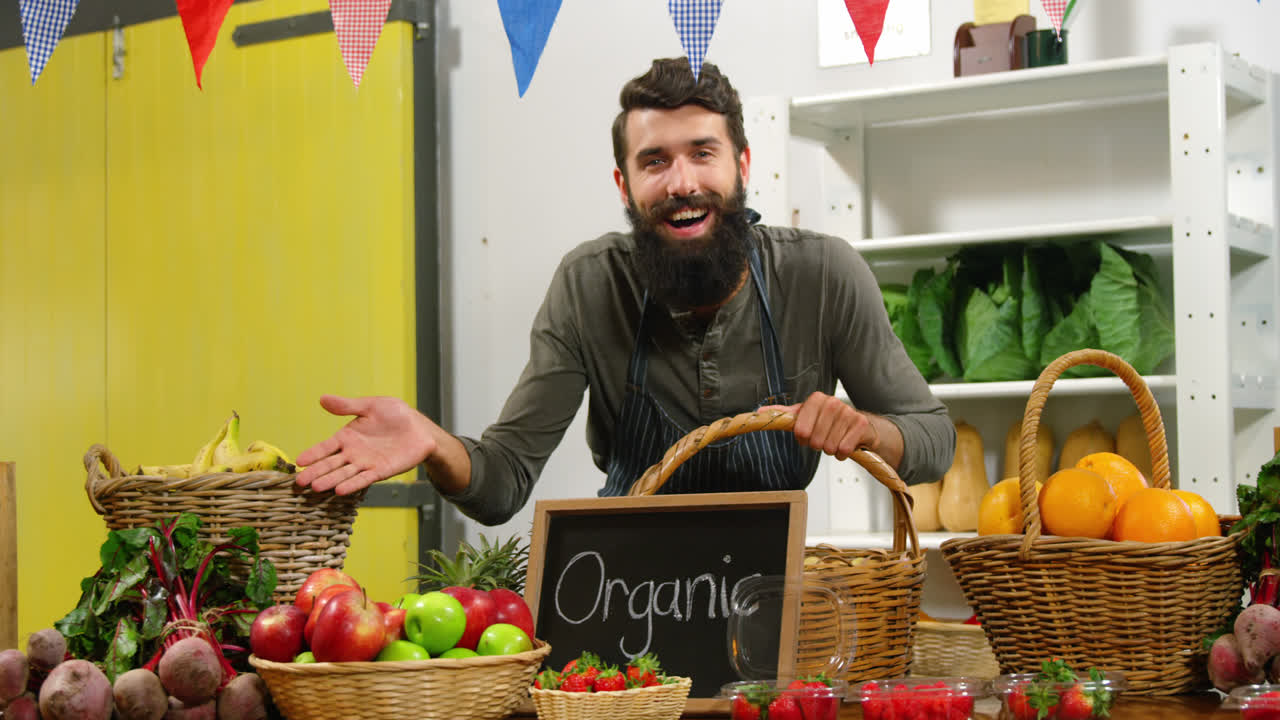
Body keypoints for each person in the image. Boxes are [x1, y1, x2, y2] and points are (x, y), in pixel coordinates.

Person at [296, 57, 955, 526]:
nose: (681, 182)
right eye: (654, 161)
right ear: (623, 186)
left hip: (772, 588)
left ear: (742, 167)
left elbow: (934, 439)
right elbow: (501, 484)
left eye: (703, 152)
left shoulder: (822, 275)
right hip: (626, 593)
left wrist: (869, 429)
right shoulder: (590, 286)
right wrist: (434, 443)